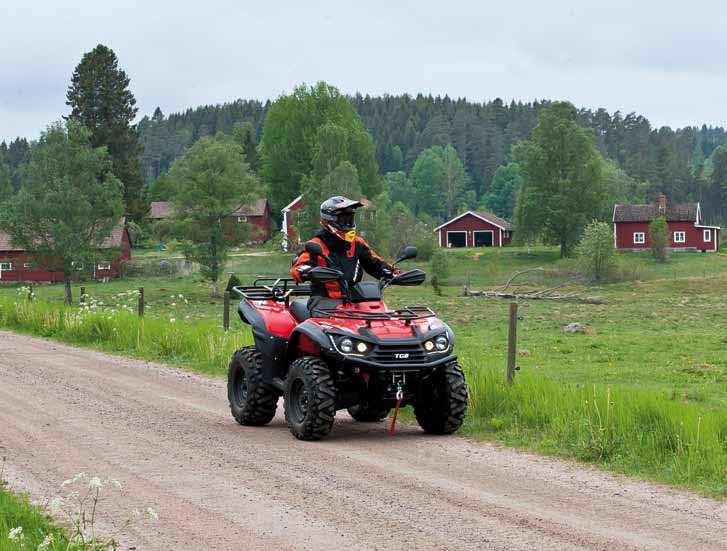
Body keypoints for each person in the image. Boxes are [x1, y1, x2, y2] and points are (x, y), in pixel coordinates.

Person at [291, 196, 398, 312]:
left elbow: (376, 264)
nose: (348, 223)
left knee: (379, 315)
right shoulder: (316, 245)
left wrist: (396, 274)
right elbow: (297, 269)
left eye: (350, 219)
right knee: (341, 321)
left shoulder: (357, 243)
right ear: (329, 221)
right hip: (323, 300)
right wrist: (309, 272)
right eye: (343, 219)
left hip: (354, 299)